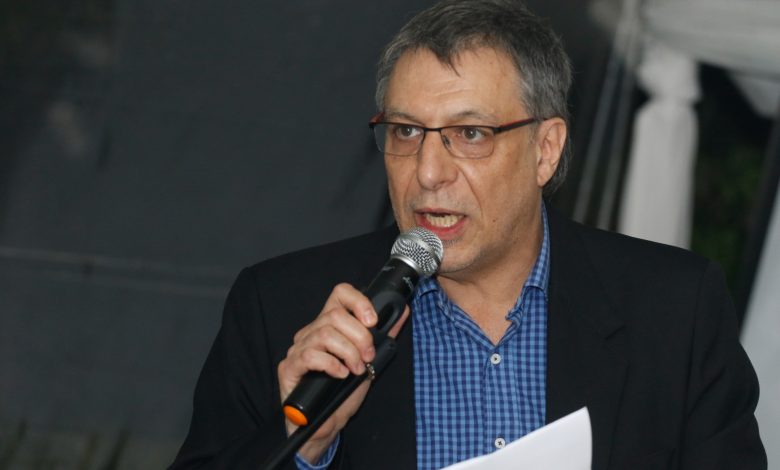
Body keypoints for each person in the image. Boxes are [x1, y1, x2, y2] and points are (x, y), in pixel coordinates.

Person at [170, 1, 767, 469]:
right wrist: (304, 443)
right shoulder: (280, 308)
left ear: (546, 150)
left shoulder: (673, 309)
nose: (428, 172)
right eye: (406, 132)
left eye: (471, 134)